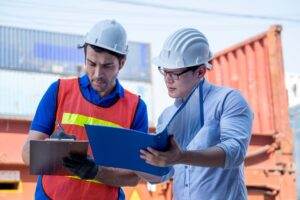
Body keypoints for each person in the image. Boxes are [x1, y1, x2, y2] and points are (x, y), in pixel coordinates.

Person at [21, 19, 148, 200]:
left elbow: (133, 176)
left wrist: (96, 171)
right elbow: (27, 154)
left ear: (122, 62)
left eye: (107, 66)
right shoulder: (58, 91)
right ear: (84, 58)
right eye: (91, 63)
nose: (97, 74)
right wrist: (50, 149)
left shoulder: (136, 108)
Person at [139, 28, 253, 200]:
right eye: (165, 71)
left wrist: (182, 157)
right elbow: (162, 174)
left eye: (175, 73)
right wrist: (134, 163)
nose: (167, 79)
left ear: (200, 72)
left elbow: (235, 152)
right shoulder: (167, 116)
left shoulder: (228, 100)